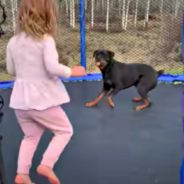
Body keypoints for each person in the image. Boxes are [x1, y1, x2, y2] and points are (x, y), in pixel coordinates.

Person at [6, 0, 86, 183]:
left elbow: (11, 70)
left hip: (20, 101)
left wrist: (28, 69)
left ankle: (22, 174)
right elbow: (52, 67)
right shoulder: (45, 40)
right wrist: (73, 71)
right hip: (40, 101)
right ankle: (46, 165)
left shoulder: (12, 41)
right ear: (49, 15)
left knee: (30, 136)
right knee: (65, 131)